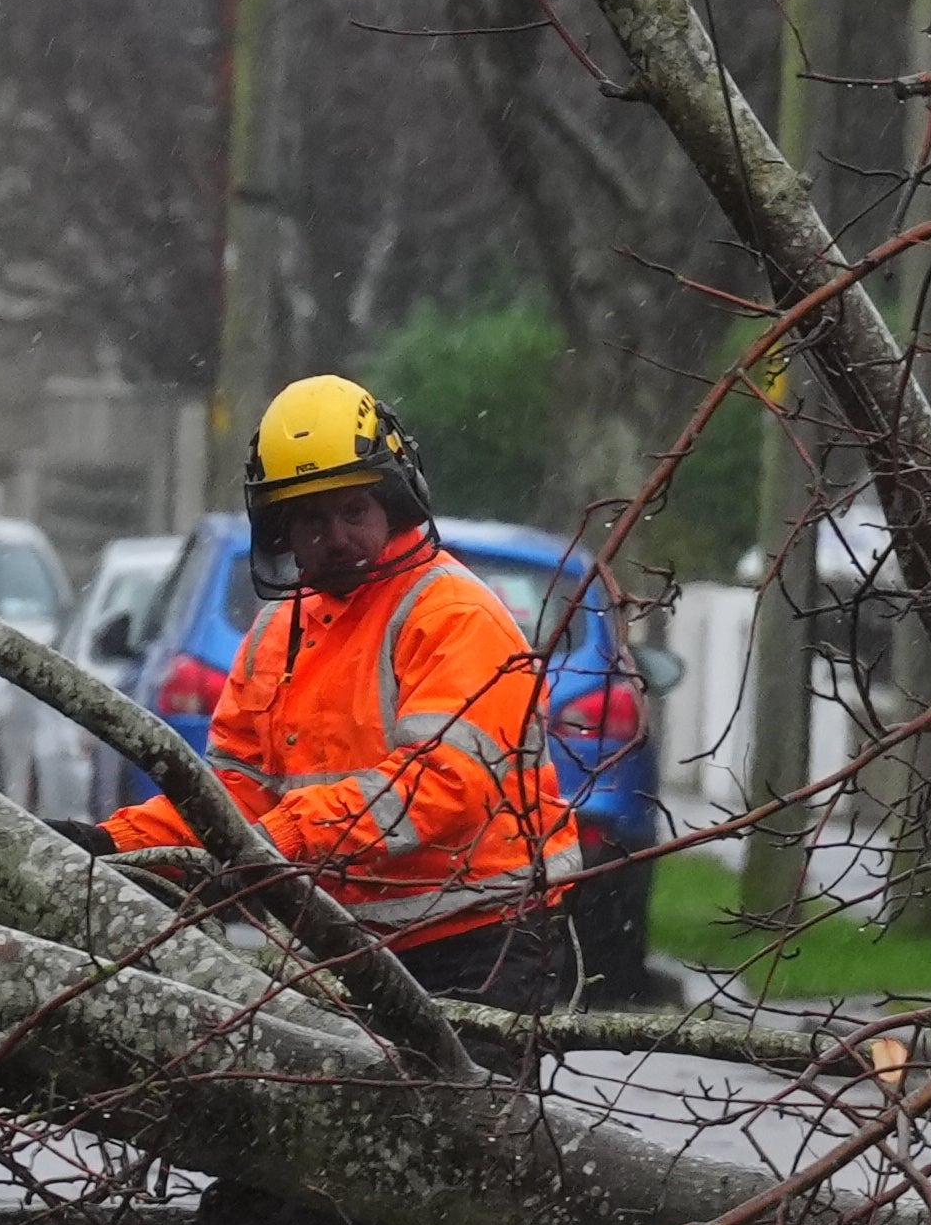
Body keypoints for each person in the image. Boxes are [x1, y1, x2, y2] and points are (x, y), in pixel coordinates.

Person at [91, 373, 578, 1011]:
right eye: (313, 518)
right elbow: (232, 797)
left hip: (482, 938)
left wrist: (289, 836)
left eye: (354, 510)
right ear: (282, 531)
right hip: (347, 948)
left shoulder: (453, 615)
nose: (337, 535)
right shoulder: (279, 632)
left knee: (457, 1112)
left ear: (394, 503)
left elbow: (443, 786)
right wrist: (117, 847)